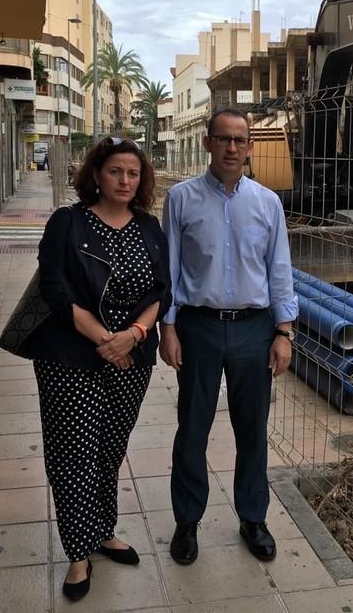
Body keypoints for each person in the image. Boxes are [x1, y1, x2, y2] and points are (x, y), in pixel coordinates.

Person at [33, 137, 171, 601]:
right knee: (73, 454)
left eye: (132, 173)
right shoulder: (67, 223)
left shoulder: (150, 228)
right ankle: (77, 554)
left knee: (110, 449)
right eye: (116, 171)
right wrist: (103, 340)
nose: (125, 180)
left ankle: (102, 530)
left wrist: (133, 335)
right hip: (71, 358)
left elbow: (162, 291)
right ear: (96, 174)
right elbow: (55, 288)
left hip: (131, 358)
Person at [160, 108, 297, 566]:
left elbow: (280, 270)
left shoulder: (267, 203)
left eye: (240, 140)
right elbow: (171, 270)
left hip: (255, 330)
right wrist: (169, 326)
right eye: (224, 139)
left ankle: (252, 518)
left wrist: (284, 331)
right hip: (198, 328)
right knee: (192, 429)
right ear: (207, 143)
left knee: (252, 431)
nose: (232, 148)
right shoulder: (181, 200)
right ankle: (187, 521)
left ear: (250, 147)